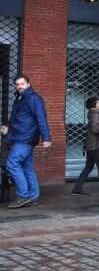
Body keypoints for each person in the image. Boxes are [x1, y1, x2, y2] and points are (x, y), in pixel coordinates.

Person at [2, 75, 52, 208]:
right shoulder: (20, 98)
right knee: (27, 168)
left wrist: (46, 138)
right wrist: (8, 127)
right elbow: (17, 118)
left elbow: (41, 118)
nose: (20, 86)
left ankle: (23, 196)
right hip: (19, 136)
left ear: (28, 84)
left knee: (12, 163)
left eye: (22, 84)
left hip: (24, 138)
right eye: (17, 84)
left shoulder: (34, 98)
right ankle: (33, 196)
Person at [72, 96, 99, 195]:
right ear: (95, 104)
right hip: (96, 146)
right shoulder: (96, 113)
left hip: (91, 146)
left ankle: (77, 189)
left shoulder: (92, 113)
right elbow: (95, 129)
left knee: (88, 167)